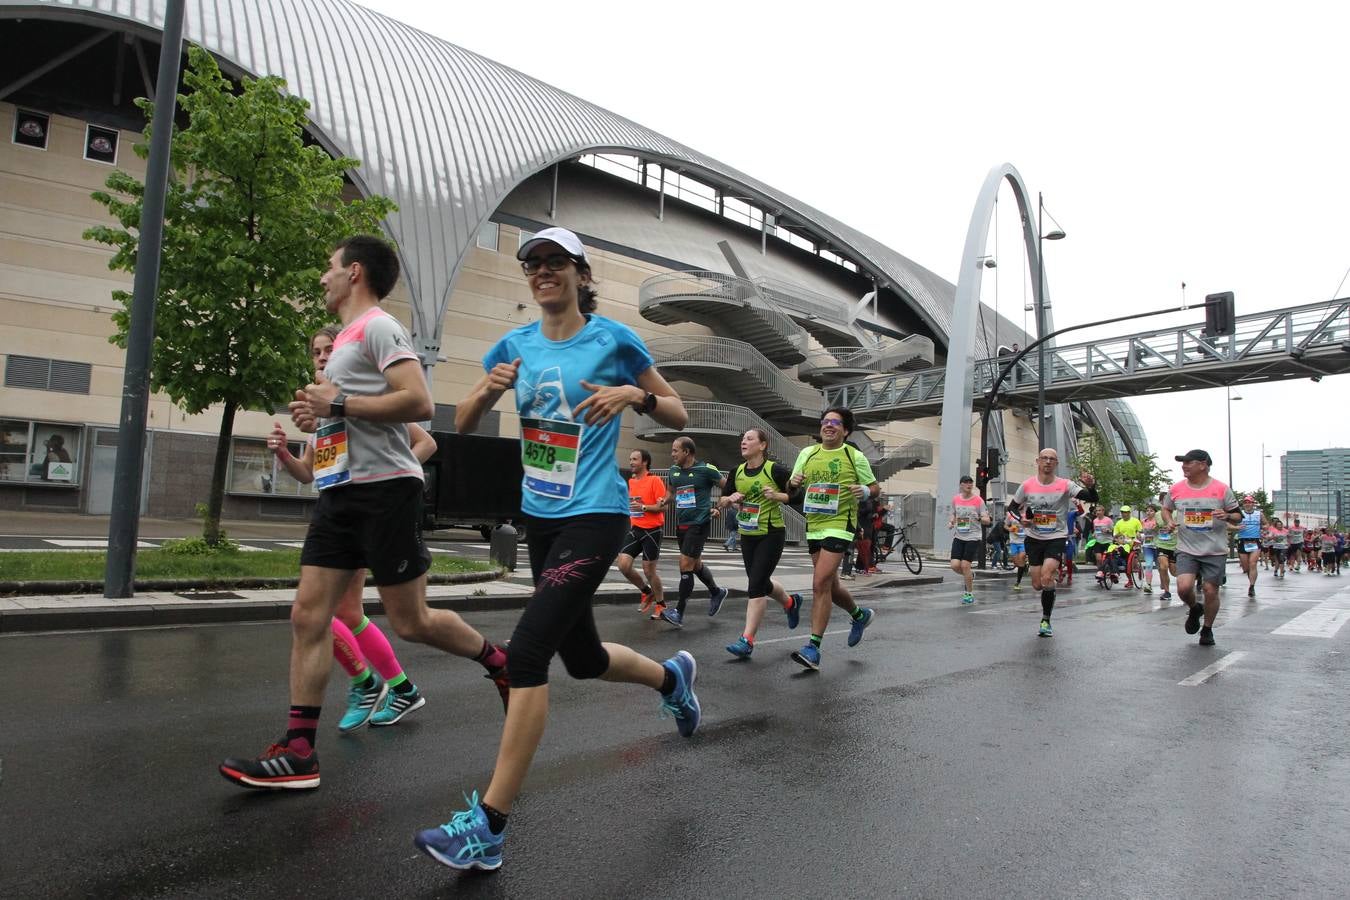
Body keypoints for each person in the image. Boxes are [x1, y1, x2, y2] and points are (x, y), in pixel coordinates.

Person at [416, 226, 700, 871]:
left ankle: (488, 826)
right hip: (541, 517)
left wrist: (638, 394)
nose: (543, 271)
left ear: (580, 273)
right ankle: (672, 678)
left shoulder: (614, 340)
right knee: (584, 657)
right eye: (533, 263)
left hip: (596, 516)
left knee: (528, 654)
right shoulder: (513, 344)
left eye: (556, 262)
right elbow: (461, 425)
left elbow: (679, 413)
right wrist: (489, 389)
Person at [220, 235, 508, 790]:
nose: (322, 277)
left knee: (411, 621)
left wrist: (338, 404)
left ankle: (500, 662)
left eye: (329, 267)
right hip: (338, 494)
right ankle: (300, 751)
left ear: (354, 272)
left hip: (384, 492)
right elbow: (347, 417)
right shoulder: (346, 342)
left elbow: (419, 402)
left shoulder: (378, 326)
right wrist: (318, 418)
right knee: (307, 615)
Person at [266, 323, 439, 732]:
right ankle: (398, 687)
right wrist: (283, 456)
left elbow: (426, 442)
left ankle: (374, 683)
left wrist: (389, 479)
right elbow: (308, 473)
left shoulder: (363, 392)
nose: (323, 357)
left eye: (330, 349)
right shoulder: (318, 402)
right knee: (341, 611)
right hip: (336, 507)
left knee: (328, 612)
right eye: (316, 352)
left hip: (370, 504)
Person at [787, 407, 879, 670]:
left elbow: (875, 488)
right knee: (830, 585)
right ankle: (859, 616)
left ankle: (813, 648)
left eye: (835, 423)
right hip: (814, 523)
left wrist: (863, 489)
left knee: (819, 583)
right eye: (825, 422)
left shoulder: (854, 456)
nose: (829, 426)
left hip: (840, 524)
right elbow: (792, 490)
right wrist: (793, 483)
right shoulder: (807, 453)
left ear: (845, 430)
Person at [716, 428, 803, 658]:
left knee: (755, 585)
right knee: (760, 582)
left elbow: (798, 495)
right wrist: (730, 498)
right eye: (742, 439)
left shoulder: (774, 470)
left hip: (771, 533)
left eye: (749, 439)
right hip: (748, 533)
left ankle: (747, 640)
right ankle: (790, 602)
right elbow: (723, 499)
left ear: (762, 445)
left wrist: (779, 496)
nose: (743, 442)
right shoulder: (737, 472)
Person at [1006, 449, 1098, 636]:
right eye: (1044, 458)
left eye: (1052, 459)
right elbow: (1012, 508)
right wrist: (1021, 519)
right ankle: (1050, 588)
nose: (1047, 462)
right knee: (1038, 584)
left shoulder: (1065, 485)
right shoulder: (1027, 485)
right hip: (1033, 538)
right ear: (1037, 461)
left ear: (1056, 464)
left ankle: (1046, 620)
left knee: (1047, 577)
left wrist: (1092, 486)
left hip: (1056, 537)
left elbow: (1092, 498)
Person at [1161, 448, 1241, 647]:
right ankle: (1195, 608)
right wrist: (1169, 521)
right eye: (1183, 462)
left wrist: (1228, 515)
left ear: (1203, 465)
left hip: (1214, 550)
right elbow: (1165, 508)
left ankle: (1207, 629)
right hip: (1187, 548)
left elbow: (1238, 515)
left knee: (1210, 590)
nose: (1184, 466)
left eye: (1189, 462)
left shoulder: (1221, 489)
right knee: (1183, 587)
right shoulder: (1176, 488)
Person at [662, 436, 729, 626]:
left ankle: (679, 612)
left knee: (684, 564)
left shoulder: (706, 470)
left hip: (699, 524)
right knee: (695, 564)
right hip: (681, 524)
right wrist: (664, 500)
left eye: (676, 450)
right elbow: (670, 492)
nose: (672, 454)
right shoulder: (673, 471)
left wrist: (718, 507)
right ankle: (717, 592)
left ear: (687, 452)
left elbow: (728, 486)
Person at [616, 449, 667, 617]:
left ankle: (661, 605)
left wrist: (644, 507)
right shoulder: (631, 482)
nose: (631, 462)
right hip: (635, 528)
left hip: (652, 530)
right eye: (630, 459)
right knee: (623, 565)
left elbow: (664, 506)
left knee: (649, 571)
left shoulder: (654, 480)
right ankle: (646, 591)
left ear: (644, 462)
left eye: (635, 459)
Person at [948, 475, 991, 604]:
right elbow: (953, 514)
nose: (969, 485)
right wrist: (951, 522)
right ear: (961, 485)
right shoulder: (956, 499)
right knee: (955, 565)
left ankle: (969, 594)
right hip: (959, 535)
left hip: (973, 536)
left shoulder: (978, 501)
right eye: (966, 483)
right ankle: (970, 576)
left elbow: (987, 520)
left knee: (965, 565)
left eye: (970, 483)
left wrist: (978, 517)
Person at [1112, 505, 1143, 585]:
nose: (1124, 514)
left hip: (1133, 542)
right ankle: (1130, 580)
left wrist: (1139, 534)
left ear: (1129, 513)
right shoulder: (1118, 523)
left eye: (1126, 512)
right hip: (1122, 542)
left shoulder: (1136, 521)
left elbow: (1140, 531)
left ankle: (1138, 567)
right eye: (1122, 512)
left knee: (1133, 560)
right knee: (1125, 561)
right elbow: (1115, 534)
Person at [1088, 505, 1114, 586]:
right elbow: (1095, 530)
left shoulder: (1108, 520)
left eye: (1099, 510)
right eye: (1096, 511)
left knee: (1107, 559)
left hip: (1107, 542)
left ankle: (1108, 571)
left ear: (1103, 511)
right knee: (1098, 559)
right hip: (1098, 541)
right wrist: (1094, 534)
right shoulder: (1095, 520)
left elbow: (1113, 531)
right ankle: (1100, 572)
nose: (1098, 512)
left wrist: (1107, 531)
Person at [1007, 511, 1029, 591]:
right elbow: (1005, 525)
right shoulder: (1010, 514)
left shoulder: (1027, 513)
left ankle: (1018, 582)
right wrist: (1009, 528)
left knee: (1022, 556)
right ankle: (1024, 566)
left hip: (1023, 541)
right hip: (1013, 541)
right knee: (1017, 562)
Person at [1266, 516, 1289, 581]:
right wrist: (1272, 538)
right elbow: (1269, 537)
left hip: (1284, 547)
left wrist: (1289, 543)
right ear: (1276, 526)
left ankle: (1281, 572)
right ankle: (1276, 570)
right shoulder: (1273, 531)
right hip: (1276, 547)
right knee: (1277, 560)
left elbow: (1289, 537)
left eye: (1281, 525)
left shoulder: (1286, 531)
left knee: (1281, 559)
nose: (1280, 526)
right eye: (1278, 525)